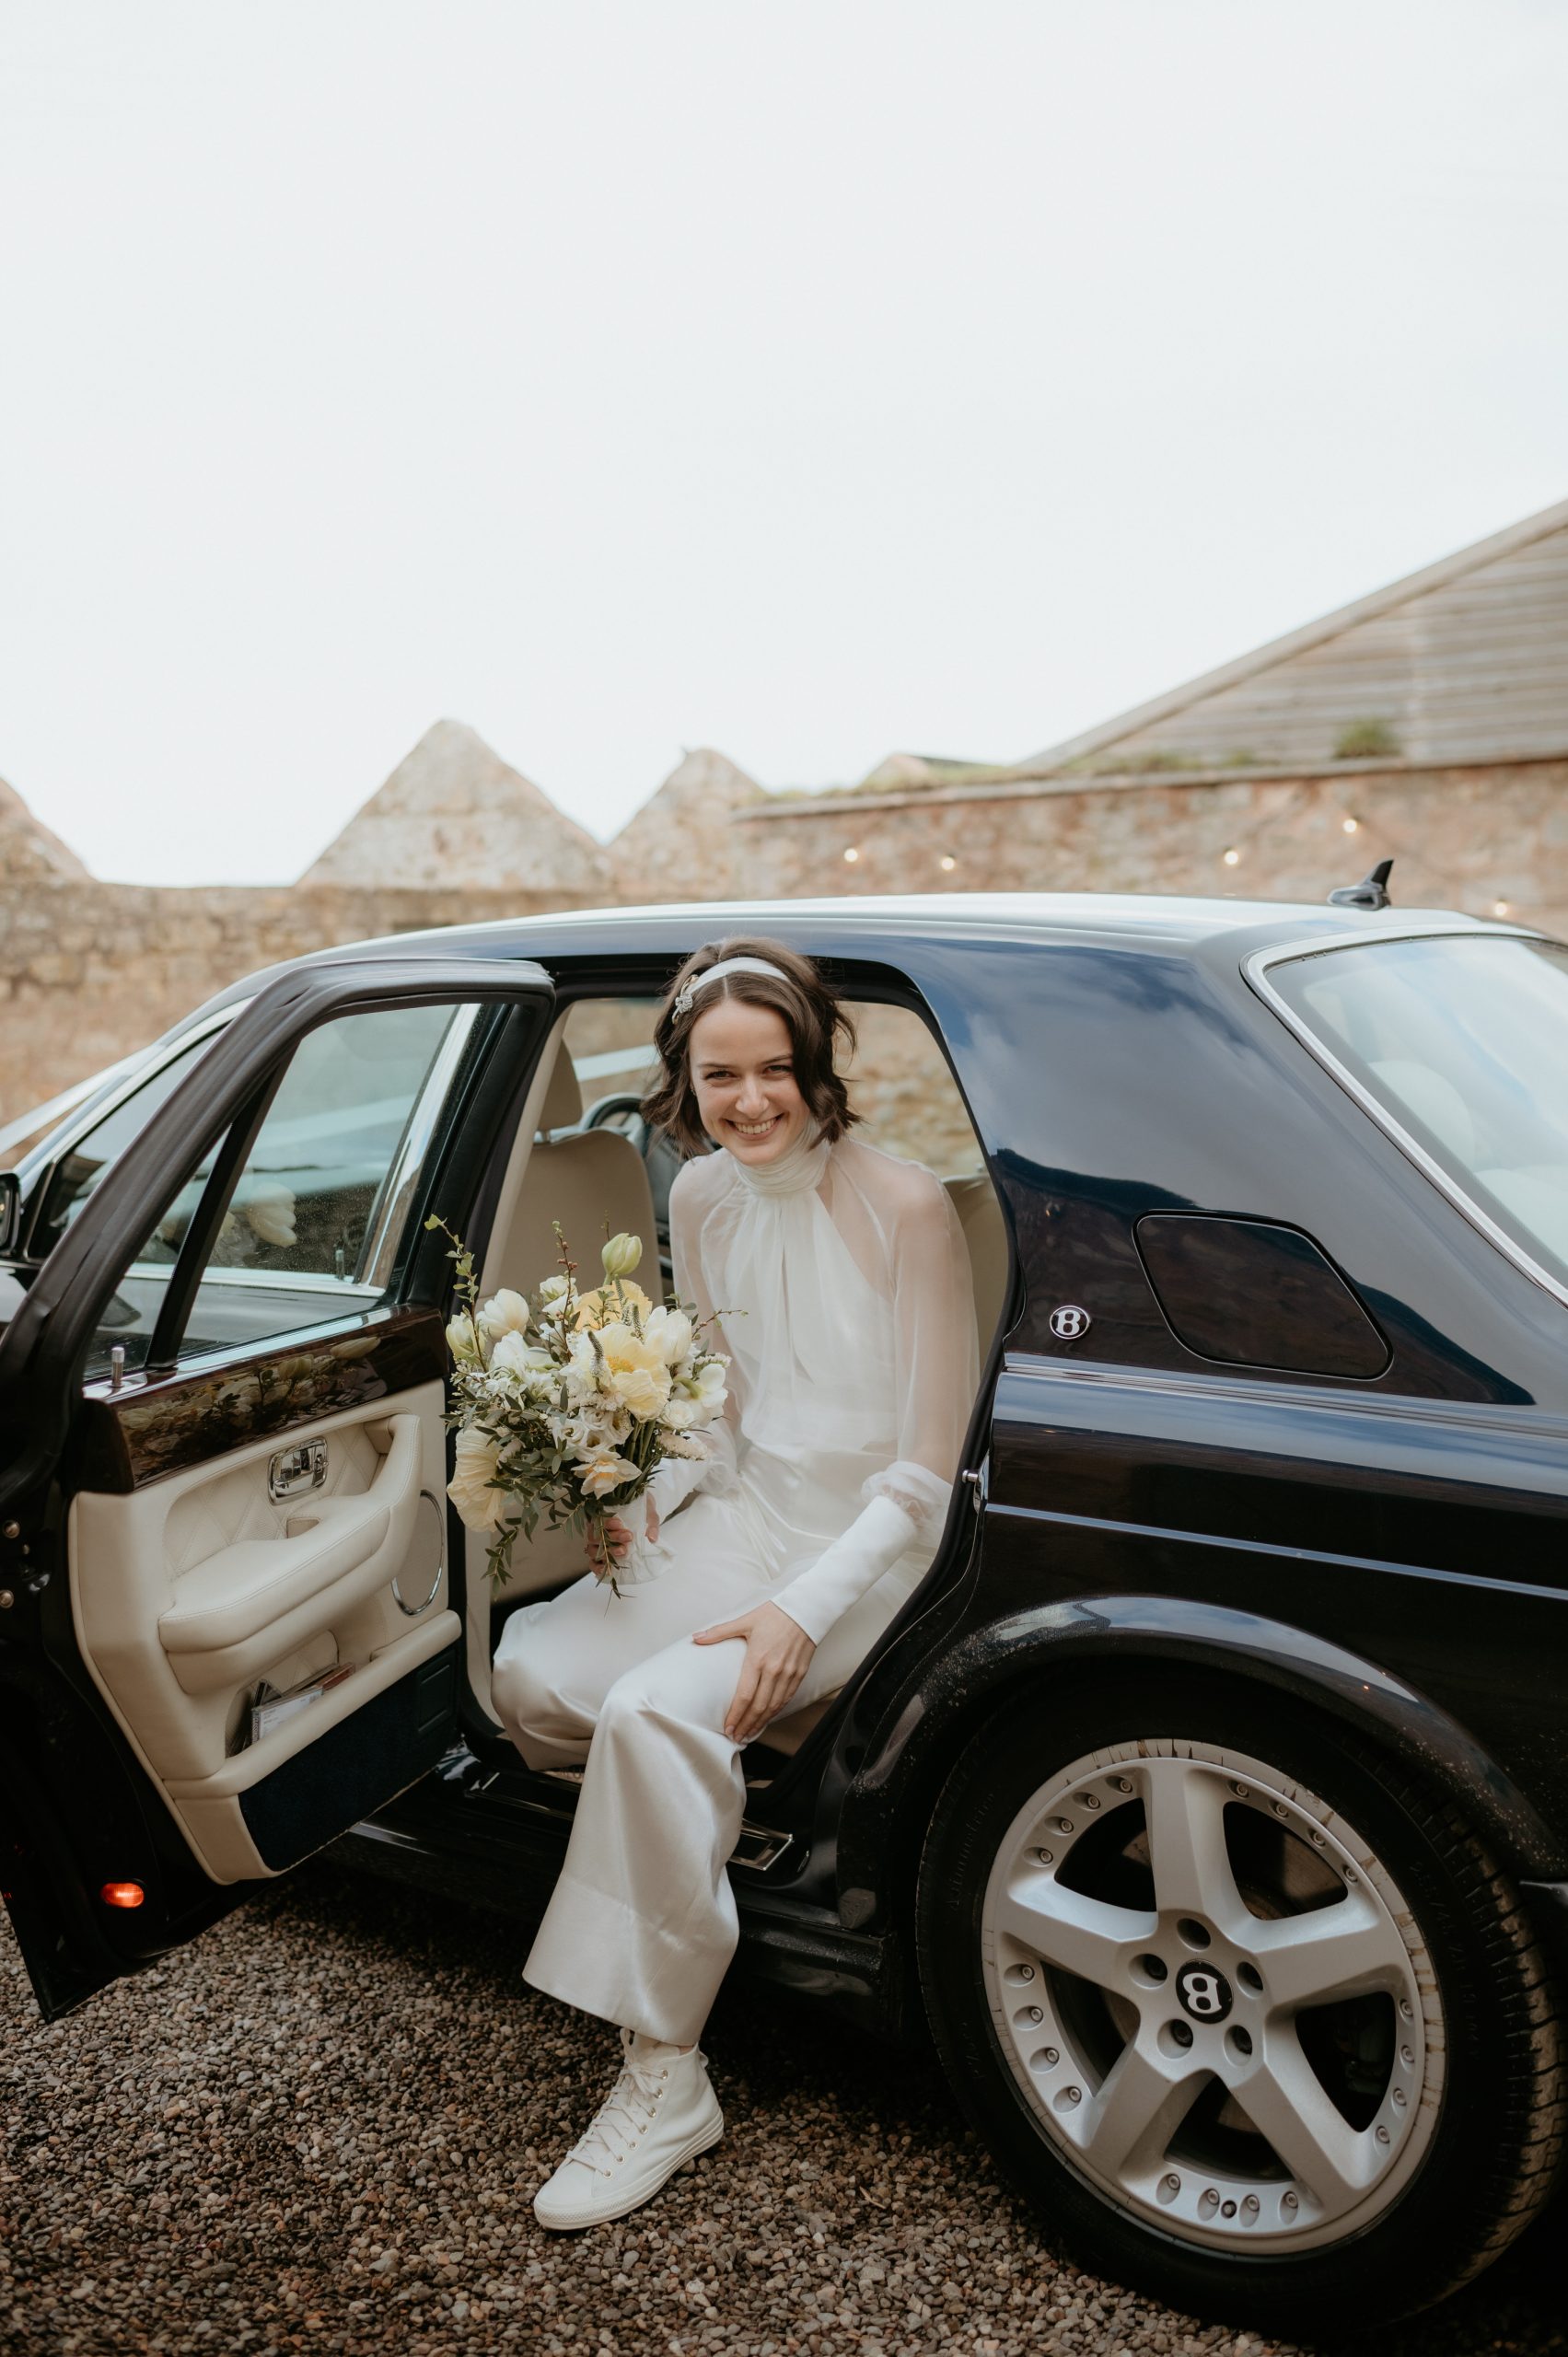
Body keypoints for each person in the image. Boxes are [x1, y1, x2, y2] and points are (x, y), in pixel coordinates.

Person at [489, 936, 981, 2230]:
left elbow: (930, 1472)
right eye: (721, 1077)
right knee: (531, 1671)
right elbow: (722, 1410)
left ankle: (664, 2076)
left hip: (872, 1547)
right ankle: (677, 1820)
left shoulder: (907, 1207)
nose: (751, 1099)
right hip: (753, 1509)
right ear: (685, 1083)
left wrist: (800, 1611)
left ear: (818, 1067)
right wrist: (641, 1500)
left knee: (655, 1712)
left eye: (775, 1069)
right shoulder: (699, 1199)